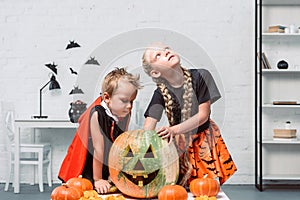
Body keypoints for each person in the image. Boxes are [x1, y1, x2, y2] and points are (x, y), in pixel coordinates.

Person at [141, 43, 237, 187]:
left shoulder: (201, 76)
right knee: (177, 187)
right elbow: (148, 126)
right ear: (155, 73)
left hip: (203, 141)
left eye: (166, 49)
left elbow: (203, 115)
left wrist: (172, 130)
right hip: (179, 145)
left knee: (203, 187)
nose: (166, 52)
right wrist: (147, 146)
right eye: (158, 55)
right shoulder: (160, 93)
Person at [58, 67, 142, 194]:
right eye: (125, 101)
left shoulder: (124, 112)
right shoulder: (97, 114)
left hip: (108, 160)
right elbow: (98, 149)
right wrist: (98, 179)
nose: (129, 106)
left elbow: (120, 142)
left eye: (132, 101)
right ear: (107, 98)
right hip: (92, 164)